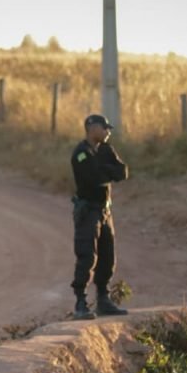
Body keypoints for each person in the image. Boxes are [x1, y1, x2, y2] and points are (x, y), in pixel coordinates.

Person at [69, 114, 130, 320]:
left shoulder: (105, 150)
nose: (107, 132)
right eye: (104, 128)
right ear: (92, 128)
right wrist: (107, 171)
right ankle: (81, 302)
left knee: (107, 256)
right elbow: (93, 178)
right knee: (87, 256)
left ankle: (104, 299)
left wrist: (105, 170)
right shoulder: (81, 153)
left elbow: (123, 172)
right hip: (88, 211)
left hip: (104, 210)